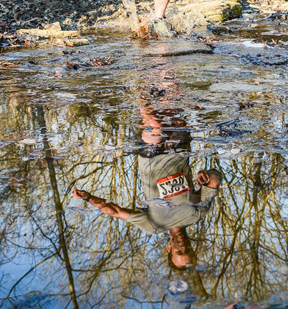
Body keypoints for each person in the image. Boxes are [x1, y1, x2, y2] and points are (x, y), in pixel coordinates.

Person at [72, 107, 222, 269]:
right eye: (187, 250)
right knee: (172, 102)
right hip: (180, 149)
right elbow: (215, 179)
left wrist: (88, 198)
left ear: (169, 248)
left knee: (153, 122)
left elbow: (115, 211)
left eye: (179, 252)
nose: (183, 247)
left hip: (152, 154)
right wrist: (207, 175)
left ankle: (140, 88)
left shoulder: (153, 225)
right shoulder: (197, 213)